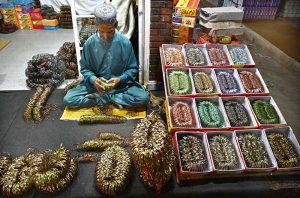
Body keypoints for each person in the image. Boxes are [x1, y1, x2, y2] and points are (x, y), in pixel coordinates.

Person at [64, 3, 149, 109]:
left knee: (143, 98)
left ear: (116, 25)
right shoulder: (89, 44)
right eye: (101, 31)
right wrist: (94, 79)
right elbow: (85, 68)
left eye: (110, 31)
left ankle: (101, 99)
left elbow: (132, 69)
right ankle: (112, 99)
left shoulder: (125, 43)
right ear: (96, 26)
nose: (105, 36)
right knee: (69, 99)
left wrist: (120, 79)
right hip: (96, 87)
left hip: (120, 86)